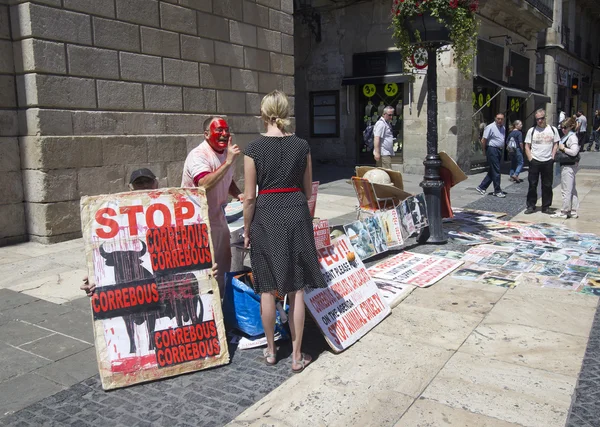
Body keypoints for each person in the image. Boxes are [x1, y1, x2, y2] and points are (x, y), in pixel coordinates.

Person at [243, 90, 327, 373]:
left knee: (267, 288)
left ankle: (270, 350)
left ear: (263, 114)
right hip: (295, 213)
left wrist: (246, 229)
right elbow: (308, 189)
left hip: (265, 215)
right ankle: (296, 356)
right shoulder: (301, 145)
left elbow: (250, 197)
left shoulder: (253, 149)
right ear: (285, 112)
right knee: (297, 288)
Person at [181, 116, 242, 294]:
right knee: (204, 269)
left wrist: (239, 194)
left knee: (223, 266)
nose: (224, 134)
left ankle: (221, 308)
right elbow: (204, 183)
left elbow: (227, 179)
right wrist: (229, 161)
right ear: (206, 134)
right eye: (219, 130)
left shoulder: (226, 153)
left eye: (226, 130)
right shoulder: (198, 155)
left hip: (218, 218)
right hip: (197, 222)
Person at [524, 108, 560, 214]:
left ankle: (546, 206)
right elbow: (527, 146)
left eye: (541, 118)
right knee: (532, 184)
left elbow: (556, 143)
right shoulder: (532, 131)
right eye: (537, 119)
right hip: (535, 161)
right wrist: (530, 158)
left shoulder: (553, 130)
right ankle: (531, 206)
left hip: (548, 161)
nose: (540, 121)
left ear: (545, 118)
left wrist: (552, 156)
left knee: (547, 185)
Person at [551, 116, 580, 219]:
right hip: (568, 165)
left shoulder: (572, 137)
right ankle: (573, 211)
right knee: (571, 189)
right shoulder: (568, 136)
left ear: (570, 127)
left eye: (565, 127)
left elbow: (574, 151)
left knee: (566, 189)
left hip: (568, 166)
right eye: (562, 127)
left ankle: (564, 211)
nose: (563, 129)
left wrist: (563, 149)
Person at [475, 113, 506, 198]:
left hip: (499, 150)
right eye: (498, 119)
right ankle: (497, 190)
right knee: (496, 170)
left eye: (501, 119)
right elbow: (483, 140)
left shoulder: (503, 128)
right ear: (495, 118)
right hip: (492, 149)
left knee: (493, 170)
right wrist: (484, 151)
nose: (500, 121)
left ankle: (482, 187)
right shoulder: (490, 127)